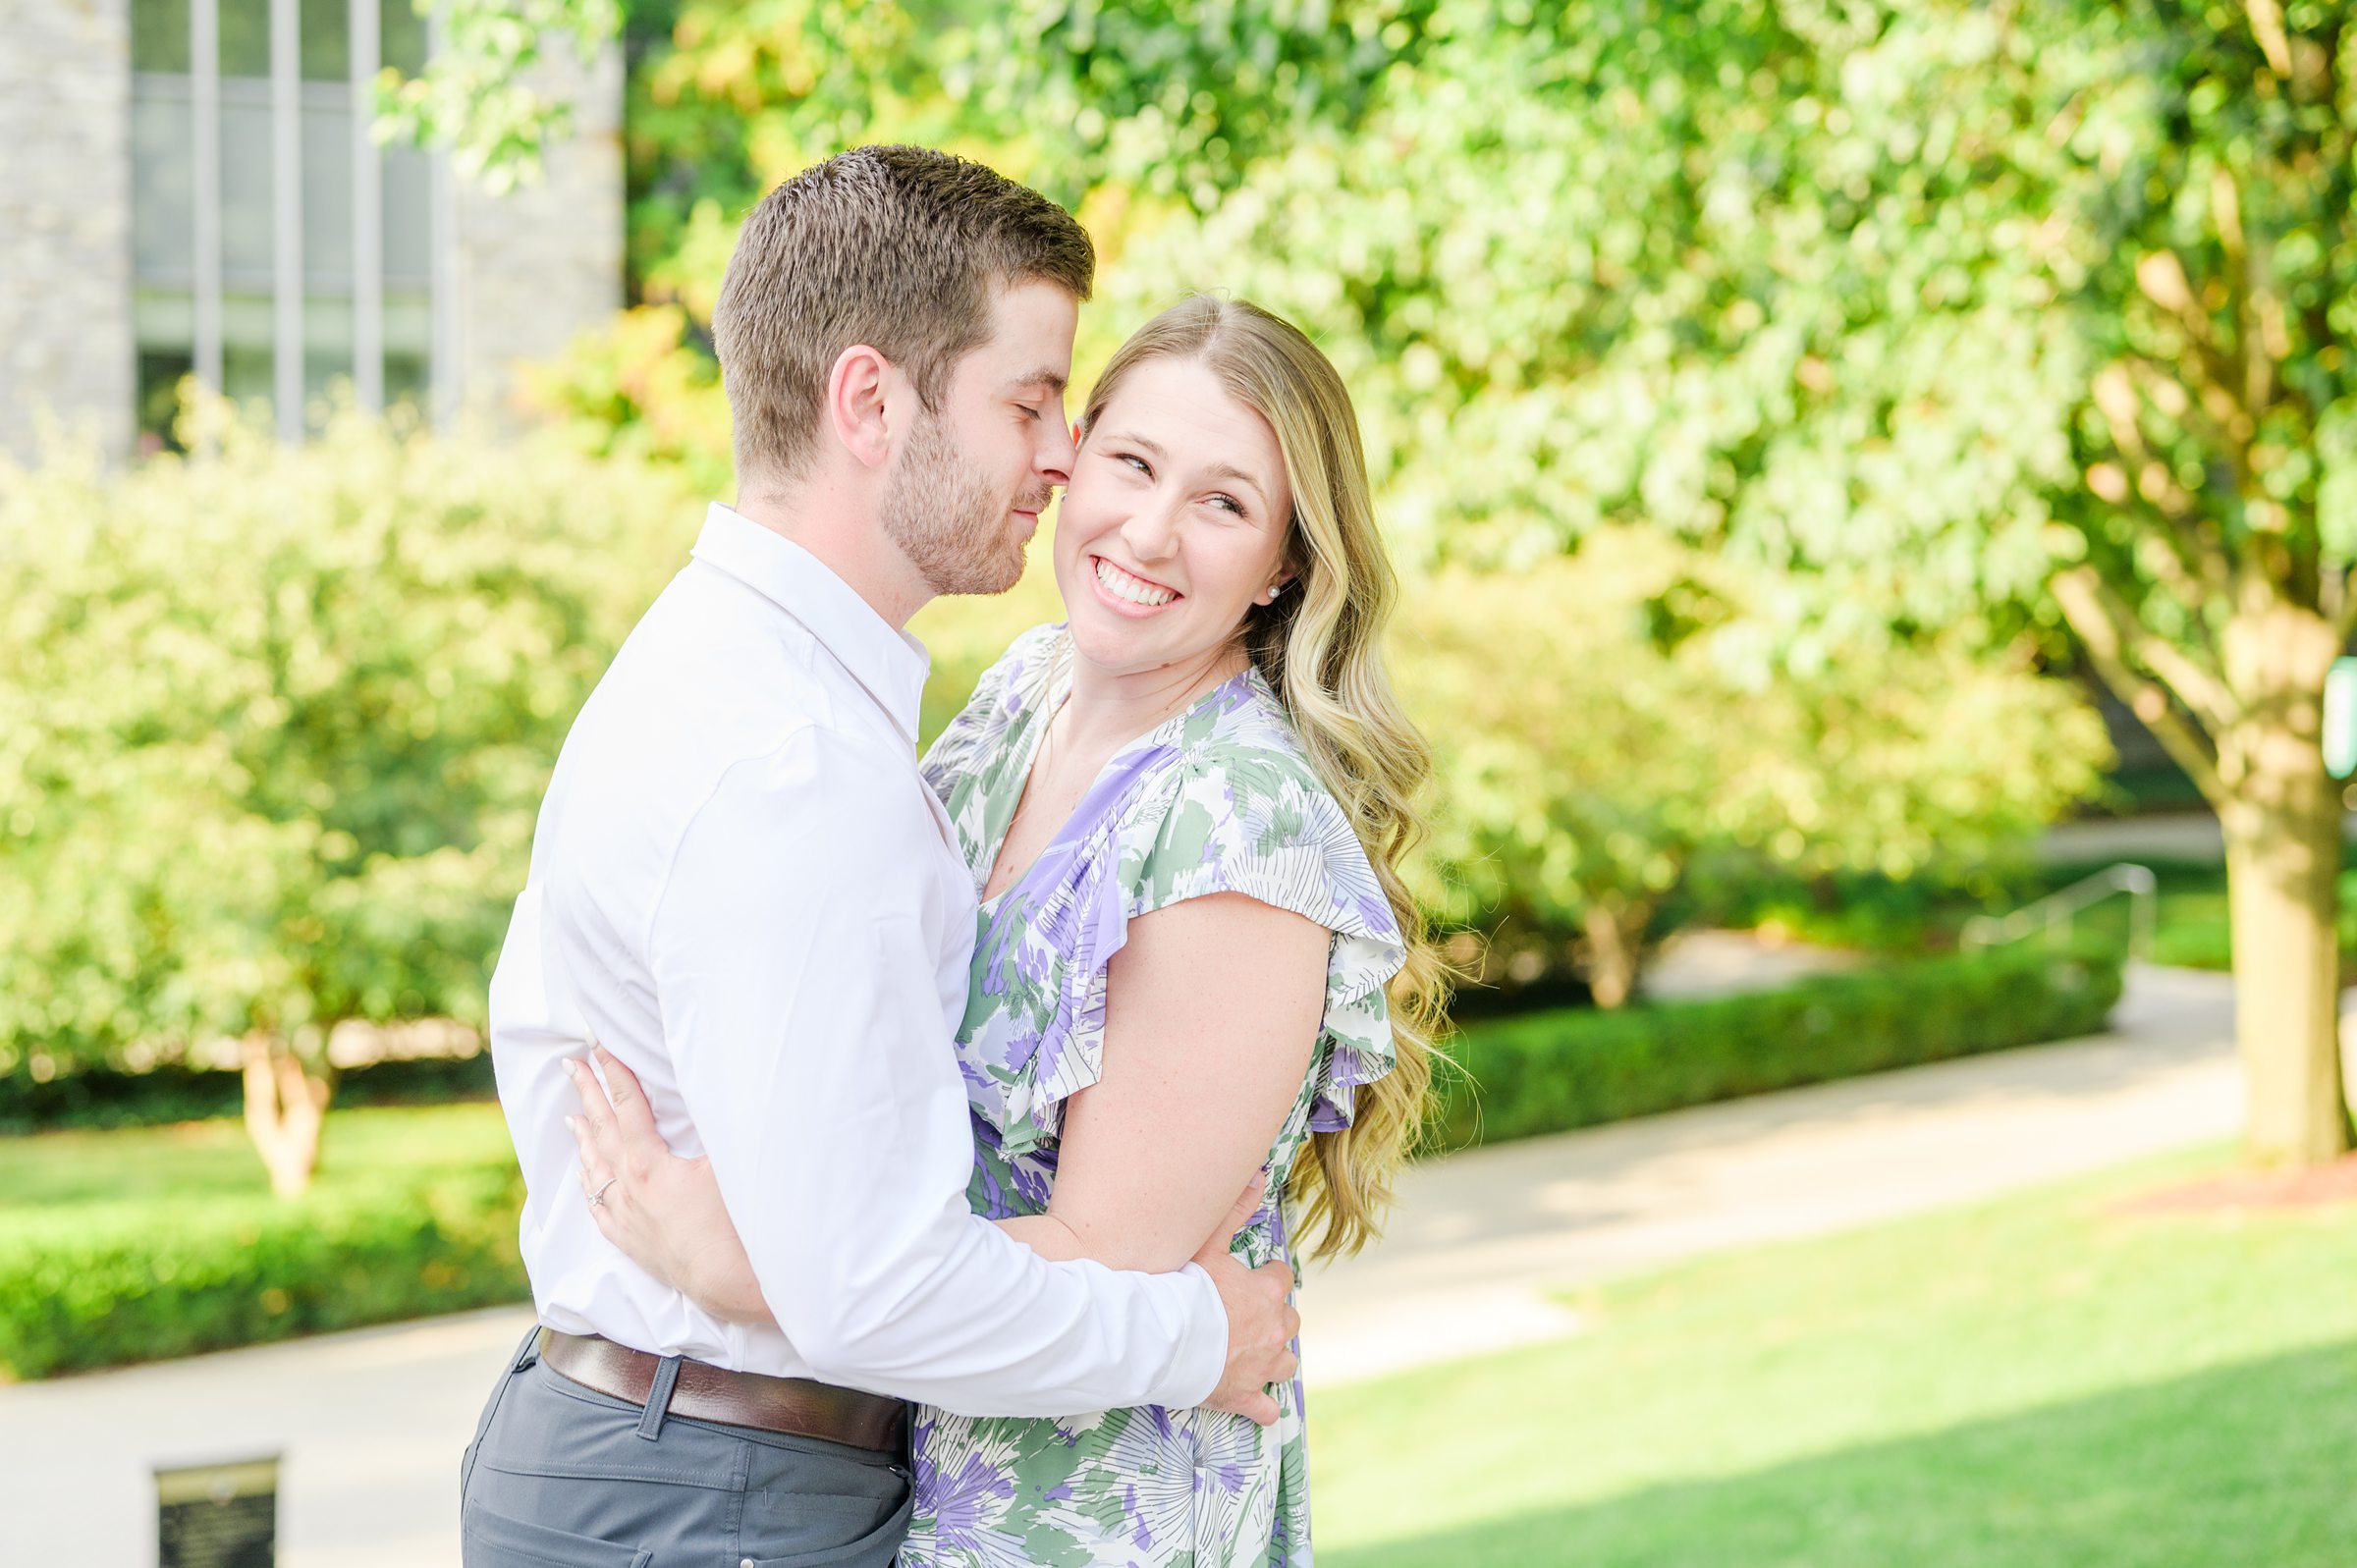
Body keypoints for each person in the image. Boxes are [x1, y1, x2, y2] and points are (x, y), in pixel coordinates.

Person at [461, 148, 1305, 1568]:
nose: (1061, 457)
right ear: (870, 401)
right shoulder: (797, 759)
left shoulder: (735, 664)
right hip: (711, 1491)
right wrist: (1196, 1331)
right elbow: (873, 1287)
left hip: (667, 1457)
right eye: (1032, 402)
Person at [566, 292, 1450, 1565]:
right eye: (1132, 462)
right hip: (898, 1463)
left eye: (1224, 502)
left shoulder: (1234, 825)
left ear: (1287, 564)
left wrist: (740, 1260)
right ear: (1072, 456)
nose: (1149, 529)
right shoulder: (1020, 694)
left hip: (1081, 1509)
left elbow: (1108, 1261)